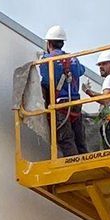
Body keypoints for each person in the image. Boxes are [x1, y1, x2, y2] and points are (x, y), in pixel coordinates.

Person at [37, 25, 87, 157]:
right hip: (76, 104)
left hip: (61, 105)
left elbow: (46, 81)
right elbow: (82, 71)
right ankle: (86, 162)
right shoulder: (74, 59)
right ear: (62, 43)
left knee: (66, 140)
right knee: (79, 139)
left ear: (49, 43)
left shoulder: (48, 60)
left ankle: (76, 166)